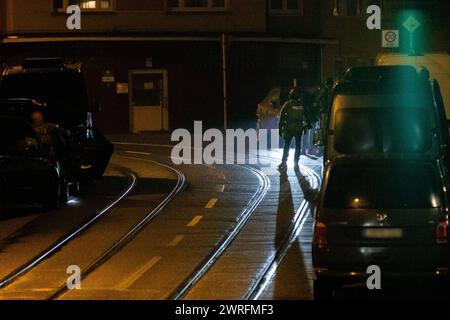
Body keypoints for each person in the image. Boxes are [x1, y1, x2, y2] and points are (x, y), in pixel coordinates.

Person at [278, 87, 309, 171]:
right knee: (298, 146)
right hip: (299, 128)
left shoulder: (287, 104)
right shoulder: (301, 104)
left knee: (287, 145)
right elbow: (306, 116)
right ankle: (296, 162)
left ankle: (284, 162)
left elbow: (282, 117)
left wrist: (280, 128)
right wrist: (307, 126)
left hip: (289, 127)